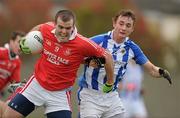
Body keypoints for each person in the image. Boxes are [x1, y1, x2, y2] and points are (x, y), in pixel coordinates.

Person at [2, 10, 114, 118]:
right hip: (36, 86)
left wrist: (109, 82)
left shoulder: (82, 43)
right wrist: (26, 40)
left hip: (59, 94)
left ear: (73, 26)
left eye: (68, 28)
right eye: (60, 27)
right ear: (55, 25)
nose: (64, 31)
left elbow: (107, 57)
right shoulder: (46, 29)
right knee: (8, 115)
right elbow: (39, 27)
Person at [78, 9, 172, 118]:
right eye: (121, 23)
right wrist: (90, 62)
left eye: (128, 25)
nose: (123, 28)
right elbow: (76, 55)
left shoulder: (132, 48)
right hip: (90, 94)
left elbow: (151, 69)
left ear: (132, 29)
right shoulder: (98, 40)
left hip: (111, 96)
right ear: (114, 23)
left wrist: (163, 72)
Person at [0, 31, 25, 118]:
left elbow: (13, 85)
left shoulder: (17, 62)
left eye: (23, 43)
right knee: (4, 109)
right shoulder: (1, 52)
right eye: (19, 42)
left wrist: (21, 86)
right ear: (11, 41)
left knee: (11, 112)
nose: (21, 46)